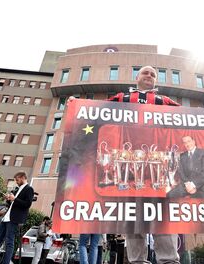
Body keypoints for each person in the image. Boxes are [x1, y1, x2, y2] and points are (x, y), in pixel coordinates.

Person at [71, 66, 181, 264]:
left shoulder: (164, 101)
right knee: (134, 219)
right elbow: (96, 111)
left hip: (158, 169)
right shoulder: (122, 97)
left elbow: (195, 118)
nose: (149, 76)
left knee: (163, 219)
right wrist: (76, 105)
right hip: (129, 168)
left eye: (153, 75)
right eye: (146, 73)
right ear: (136, 77)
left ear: (156, 81)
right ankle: (137, 261)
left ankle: (169, 260)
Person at [0, 171, 35, 264]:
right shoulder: (18, 189)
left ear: (23, 177)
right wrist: (9, 200)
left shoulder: (29, 189)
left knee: (9, 242)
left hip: (14, 219)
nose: (16, 181)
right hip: (6, 218)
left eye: (17, 179)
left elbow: (27, 204)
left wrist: (14, 199)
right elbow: (13, 204)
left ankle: (5, 262)